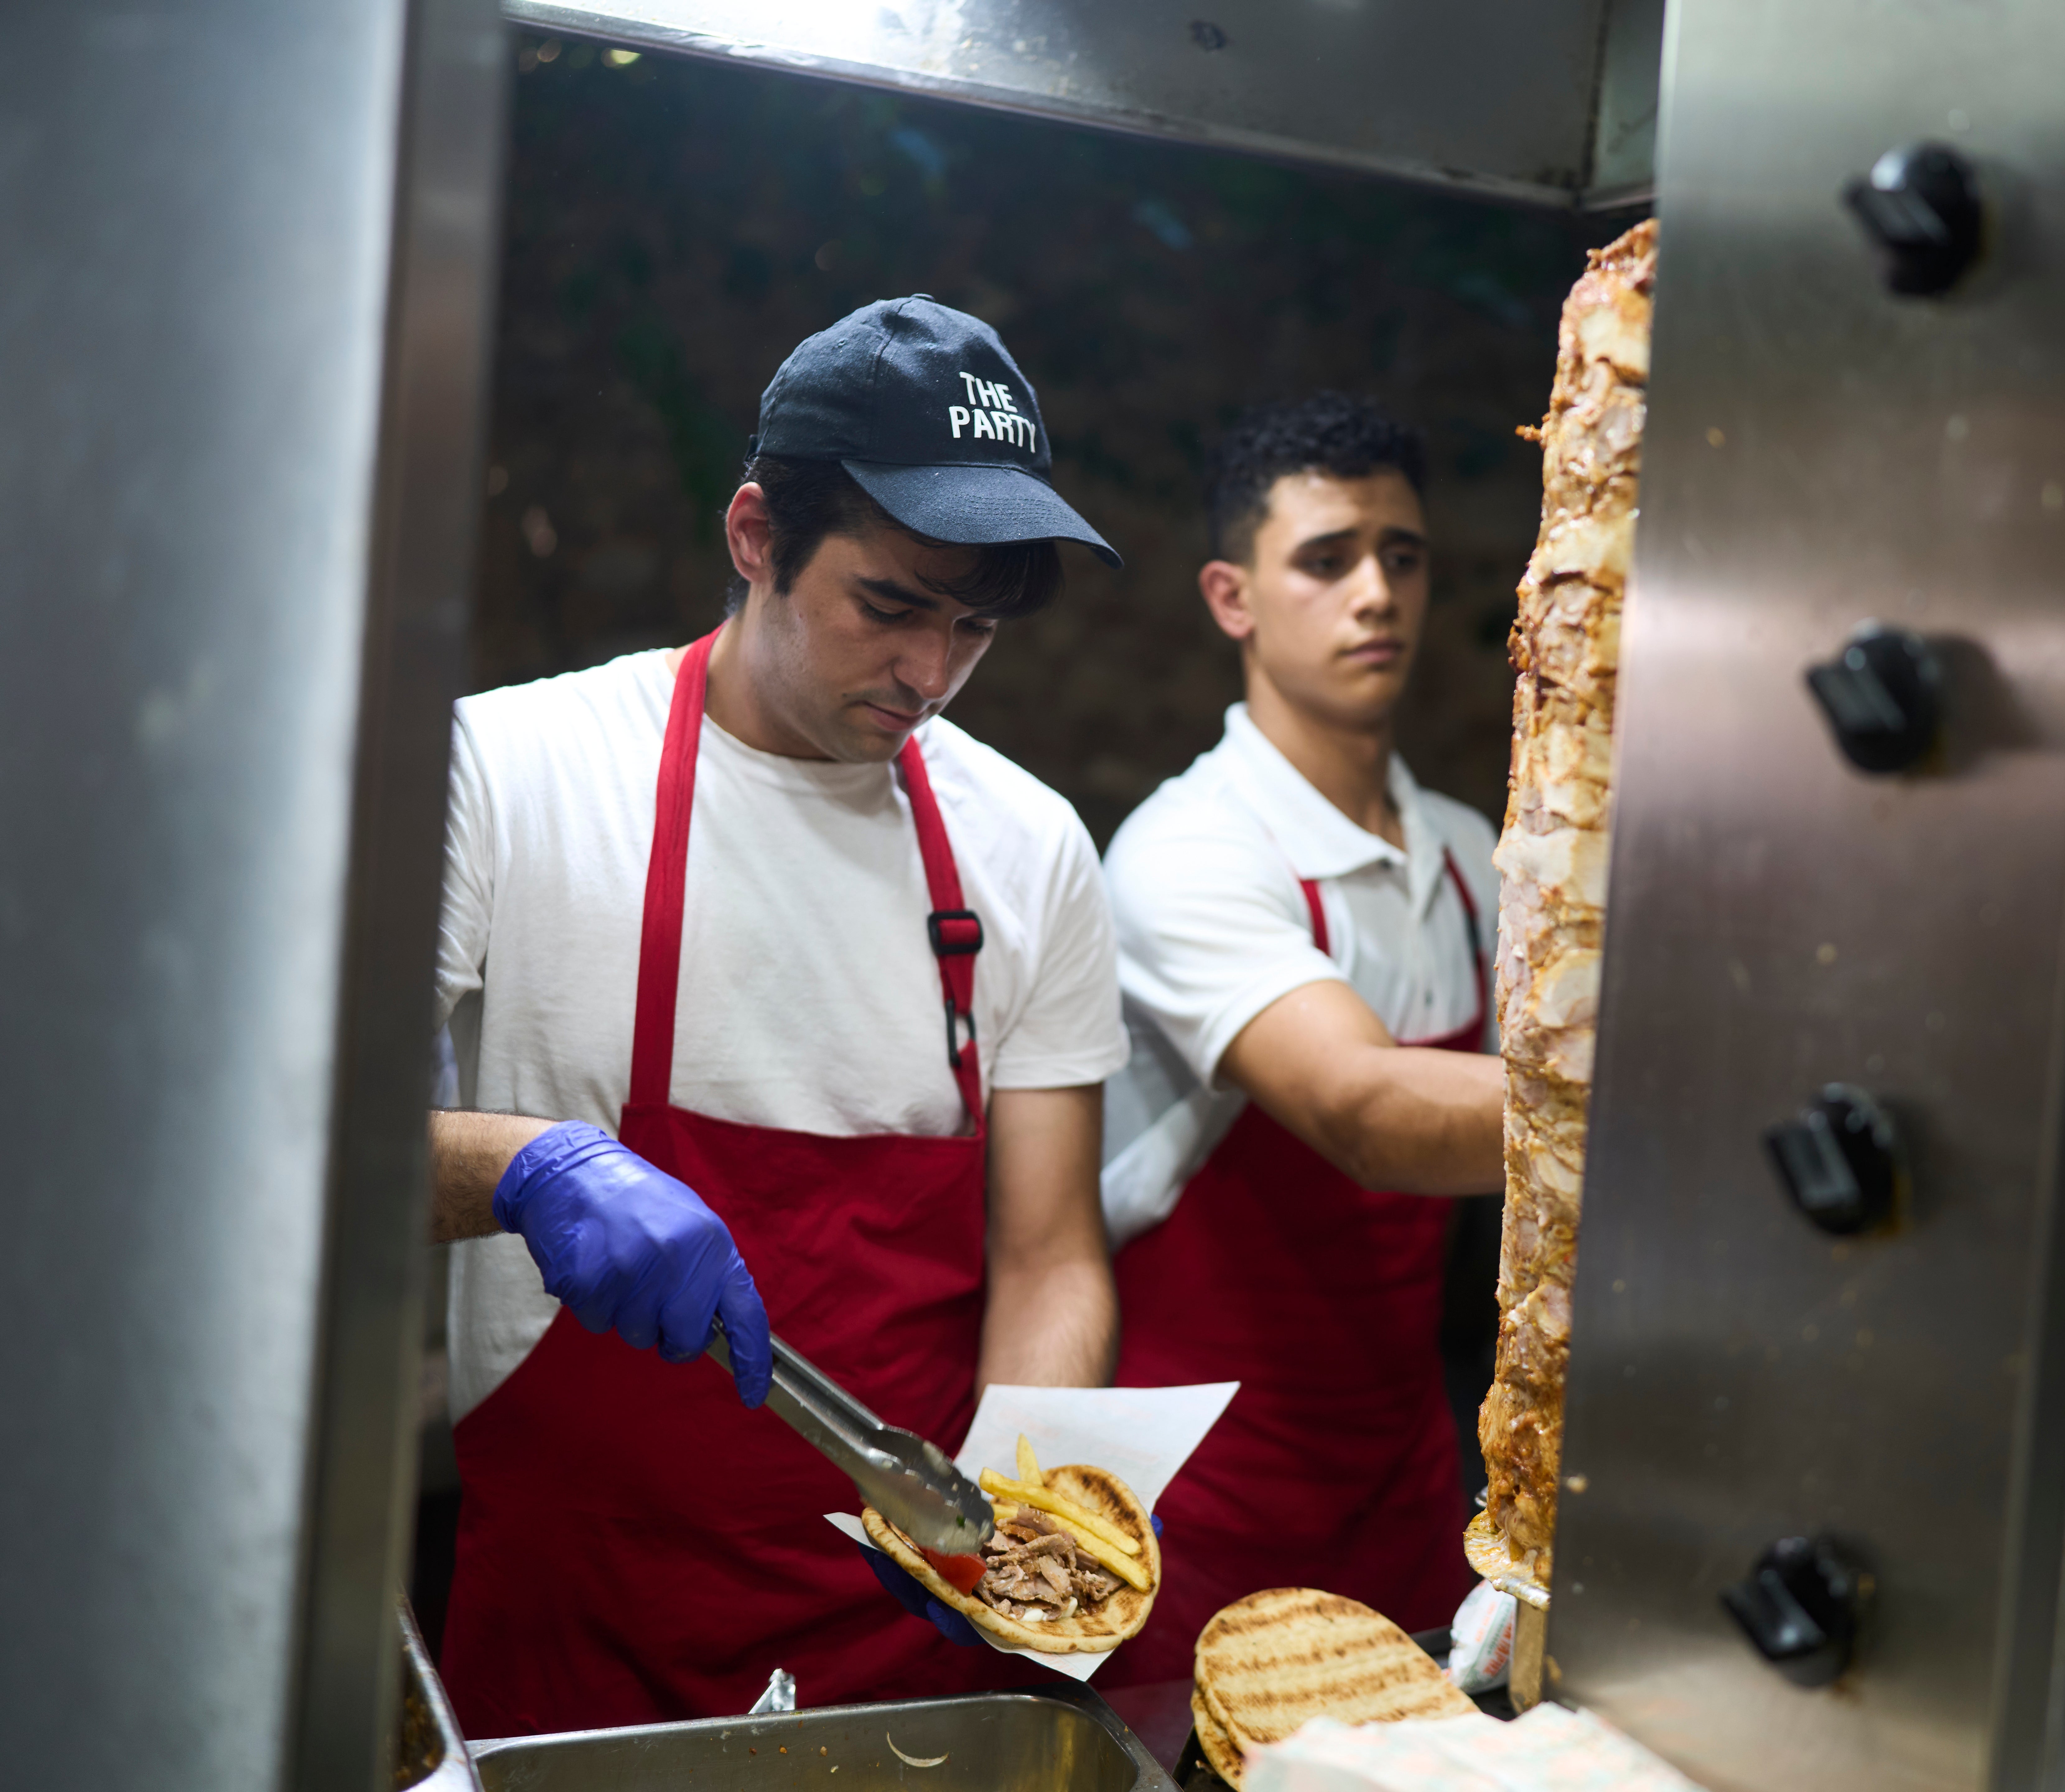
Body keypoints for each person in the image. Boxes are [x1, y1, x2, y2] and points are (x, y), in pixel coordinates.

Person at [430, 297, 1130, 1736]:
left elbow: (1052, 1254)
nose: (931, 677)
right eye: (890, 607)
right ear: (756, 536)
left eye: (974, 627)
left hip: (904, 1654)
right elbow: (292, 1142)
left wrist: (1012, 1521)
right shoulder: (515, 771)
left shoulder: (1032, 845)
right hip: (579, 1646)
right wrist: (521, 1165)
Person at [1096, 393, 1503, 1682]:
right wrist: (1686, 1103)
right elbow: (1368, 1117)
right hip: (1201, 1508)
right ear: (1234, 597)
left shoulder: (1477, 859)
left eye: (1403, 555)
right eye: (1326, 560)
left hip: (1410, 1484)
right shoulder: (1194, 850)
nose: (1374, 591)